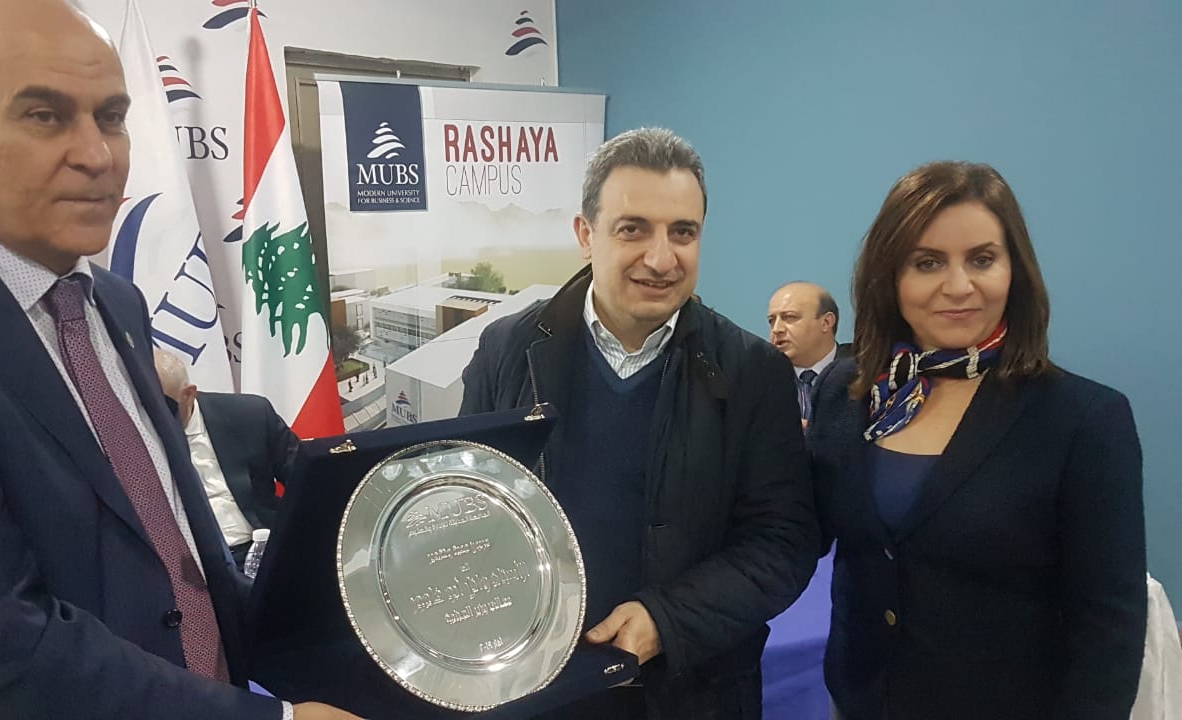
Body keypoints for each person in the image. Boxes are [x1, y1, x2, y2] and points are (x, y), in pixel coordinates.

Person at [0, 2, 354, 718]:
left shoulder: (116, 302)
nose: (98, 155)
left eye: (110, 117)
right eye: (44, 116)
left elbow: (174, 544)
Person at [460, 127, 819, 719]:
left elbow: (783, 542)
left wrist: (668, 619)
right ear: (586, 234)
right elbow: (468, 505)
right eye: (633, 229)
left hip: (692, 691)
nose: (661, 258)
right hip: (532, 690)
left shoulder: (753, 371)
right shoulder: (508, 349)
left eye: (683, 232)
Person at [808, 161, 1146, 719]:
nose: (959, 286)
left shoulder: (1085, 419)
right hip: (862, 702)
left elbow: (1110, 629)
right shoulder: (848, 391)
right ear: (890, 277)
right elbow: (800, 531)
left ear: (1015, 271)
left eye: (982, 259)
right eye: (927, 262)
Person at [154, 349, 298, 566]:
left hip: (263, 549)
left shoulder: (249, 414)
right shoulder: (132, 439)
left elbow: (305, 478)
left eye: (162, 405)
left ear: (189, 394)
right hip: (191, 564)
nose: (153, 414)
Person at [766, 281, 852, 422]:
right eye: (771, 321)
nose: (776, 329)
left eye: (789, 317)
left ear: (826, 322)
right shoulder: (762, 381)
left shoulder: (865, 372)